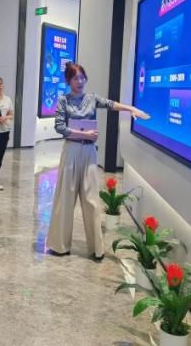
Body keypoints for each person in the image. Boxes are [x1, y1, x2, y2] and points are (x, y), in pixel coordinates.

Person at [46, 63, 149, 261]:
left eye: (82, 77)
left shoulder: (92, 98)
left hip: (89, 152)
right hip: (71, 150)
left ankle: (96, 248)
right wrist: (83, 134)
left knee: (91, 200)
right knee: (65, 198)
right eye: (75, 78)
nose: (80, 81)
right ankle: (59, 245)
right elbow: (59, 127)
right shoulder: (63, 101)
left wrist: (130, 108)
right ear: (68, 81)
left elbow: (111, 104)